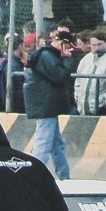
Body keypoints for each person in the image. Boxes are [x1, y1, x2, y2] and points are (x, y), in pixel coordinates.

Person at [24, 30, 76, 179]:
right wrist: (67, 60)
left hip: (48, 107)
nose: (70, 51)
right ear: (63, 44)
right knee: (44, 145)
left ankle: (64, 175)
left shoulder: (47, 55)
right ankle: (31, 177)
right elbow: (60, 76)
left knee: (56, 145)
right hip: (45, 108)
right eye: (69, 47)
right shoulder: (47, 56)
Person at [75, 30, 106, 115]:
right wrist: (78, 98)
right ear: (90, 44)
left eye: (99, 44)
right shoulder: (86, 59)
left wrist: (104, 104)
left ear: (105, 43)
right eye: (94, 45)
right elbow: (78, 82)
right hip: (83, 109)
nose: (97, 48)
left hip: (103, 110)